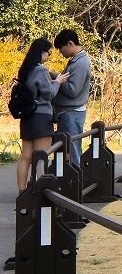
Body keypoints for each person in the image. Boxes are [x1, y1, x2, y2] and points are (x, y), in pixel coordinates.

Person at [15, 37, 69, 191]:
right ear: (41, 52)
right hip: (42, 117)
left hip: (27, 117)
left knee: (26, 157)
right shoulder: (41, 70)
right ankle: (41, 192)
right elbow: (48, 94)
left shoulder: (26, 70)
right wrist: (58, 81)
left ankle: (22, 192)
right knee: (41, 156)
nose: (49, 56)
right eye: (48, 53)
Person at [52, 29, 92, 165]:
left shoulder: (80, 63)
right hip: (69, 113)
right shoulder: (76, 60)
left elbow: (73, 90)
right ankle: (73, 176)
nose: (60, 52)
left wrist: (57, 79)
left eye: (61, 48)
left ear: (70, 43)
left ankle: (75, 177)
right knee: (69, 150)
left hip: (71, 113)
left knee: (71, 151)